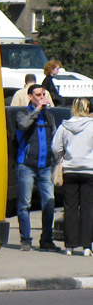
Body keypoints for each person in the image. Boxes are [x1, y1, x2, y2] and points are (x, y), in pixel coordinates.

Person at [14, 84, 60, 252]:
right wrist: (37, 110)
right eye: (38, 95)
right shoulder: (23, 113)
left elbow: (55, 138)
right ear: (30, 97)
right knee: (24, 204)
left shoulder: (49, 117)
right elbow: (23, 125)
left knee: (49, 203)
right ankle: (26, 239)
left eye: (43, 94)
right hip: (26, 165)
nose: (42, 97)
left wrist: (56, 160)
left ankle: (47, 239)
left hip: (45, 166)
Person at [51, 98, 93, 256]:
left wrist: (64, 155)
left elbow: (56, 147)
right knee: (88, 208)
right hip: (89, 170)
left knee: (70, 208)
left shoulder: (65, 125)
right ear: (87, 108)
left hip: (69, 170)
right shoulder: (91, 126)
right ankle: (86, 246)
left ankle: (69, 245)